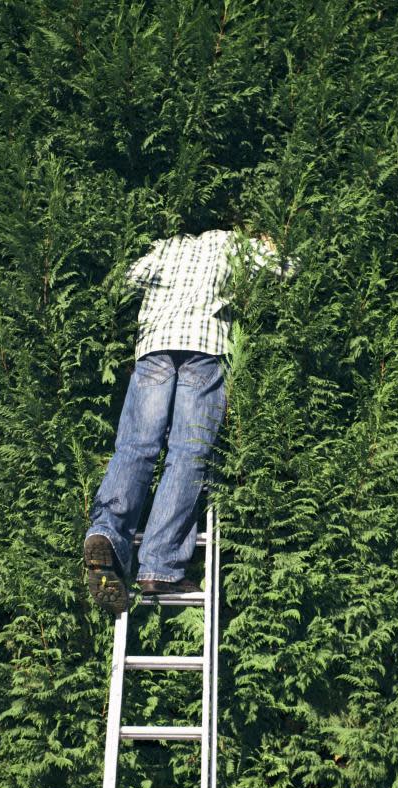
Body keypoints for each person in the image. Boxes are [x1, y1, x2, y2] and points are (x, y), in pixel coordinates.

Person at [82, 221, 299, 614]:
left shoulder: (164, 246)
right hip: (203, 347)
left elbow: (124, 279)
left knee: (135, 447)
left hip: (153, 348)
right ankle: (160, 566)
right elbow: (287, 268)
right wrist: (271, 244)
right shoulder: (233, 244)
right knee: (187, 453)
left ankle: (106, 534)